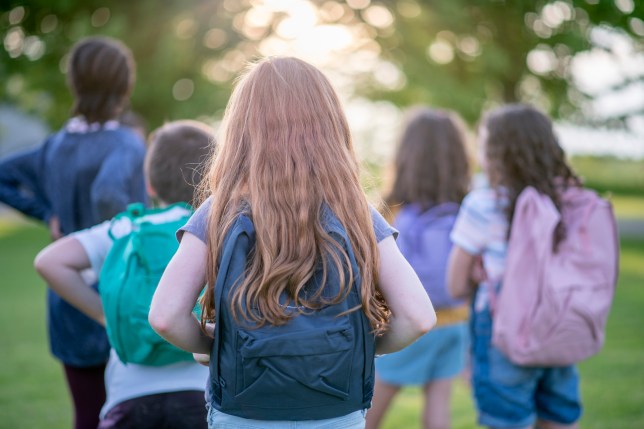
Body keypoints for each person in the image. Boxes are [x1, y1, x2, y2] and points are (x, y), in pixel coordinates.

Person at [148, 57, 436, 429]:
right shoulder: (355, 212)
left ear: (242, 129)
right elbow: (418, 317)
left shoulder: (219, 210)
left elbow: (165, 315)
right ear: (330, 126)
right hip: (337, 412)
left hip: (243, 412)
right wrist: (357, 350)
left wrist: (215, 348)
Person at [0, 36, 147, 429]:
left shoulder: (55, 146)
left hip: (67, 300)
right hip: (121, 298)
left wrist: (46, 211)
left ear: (75, 84)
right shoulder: (126, 145)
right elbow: (109, 193)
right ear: (124, 85)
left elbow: (3, 175)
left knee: (86, 415)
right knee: (130, 415)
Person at [34, 120, 214, 429]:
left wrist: (104, 315)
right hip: (200, 393)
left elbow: (49, 261)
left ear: (150, 185)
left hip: (129, 393)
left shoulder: (126, 228)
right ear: (213, 180)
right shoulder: (215, 230)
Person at [447, 104, 583, 429]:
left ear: (495, 153)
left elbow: (454, 286)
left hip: (501, 329)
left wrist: (479, 276)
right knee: (558, 416)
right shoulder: (572, 200)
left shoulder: (483, 204)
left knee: (507, 420)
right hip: (560, 321)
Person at [366, 108, 471, 429]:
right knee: (439, 398)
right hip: (455, 321)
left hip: (407, 321)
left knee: (373, 400)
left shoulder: (391, 210)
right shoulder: (468, 208)